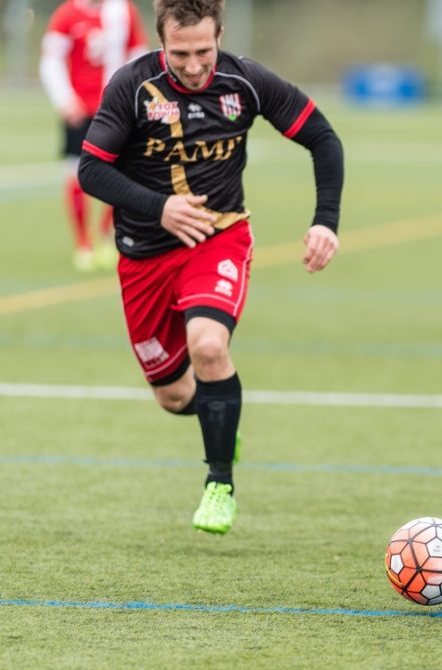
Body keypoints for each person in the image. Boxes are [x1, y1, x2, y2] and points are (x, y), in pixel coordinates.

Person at [78, 0, 344, 534]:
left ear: (220, 35)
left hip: (218, 239)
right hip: (143, 254)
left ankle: (218, 483)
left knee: (208, 345)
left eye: (204, 50)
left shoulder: (245, 82)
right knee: (173, 394)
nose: (194, 65)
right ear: (161, 42)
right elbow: (91, 170)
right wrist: (159, 207)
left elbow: (322, 138)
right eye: (180, 53)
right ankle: (221, 422)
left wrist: (325, 221)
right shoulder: (131, 86)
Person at [40, 0, 149, 272]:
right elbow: (50, 61)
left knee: (122, 174)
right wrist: (65, 100)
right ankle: (83, 244)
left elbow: (139, 54)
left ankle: (106, 236)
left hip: (115, 111)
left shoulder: (124, 11)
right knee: (75, 175)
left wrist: (132, 99)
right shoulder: (66, 15)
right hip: (79, 111)